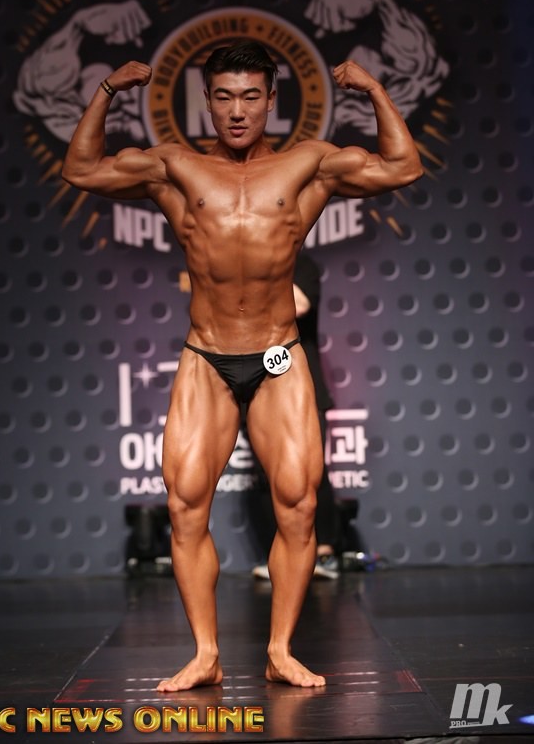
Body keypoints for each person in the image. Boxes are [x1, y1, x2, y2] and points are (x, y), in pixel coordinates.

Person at [62, 39, 423, 692]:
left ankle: (280, 650)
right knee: (184, 506)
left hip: (278, 355)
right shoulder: (176, 167)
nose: (237, 111)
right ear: (206, 100)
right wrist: (107, 91)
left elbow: (403, 166)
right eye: (224, 96)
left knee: (299, 506)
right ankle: (206, 654)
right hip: (207, 356)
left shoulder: (307, 164)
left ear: (271, 99)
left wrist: (373, 90)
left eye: (251, 96)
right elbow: (81, 170)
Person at [251, 249, 342, 581]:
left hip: (304, 385)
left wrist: (263, 274)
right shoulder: (242, 268)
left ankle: (324, 552)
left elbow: (300, 303)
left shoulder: (298, 263)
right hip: (261, 386)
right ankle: (278, 556)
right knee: (268, 474)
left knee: (311, 472)